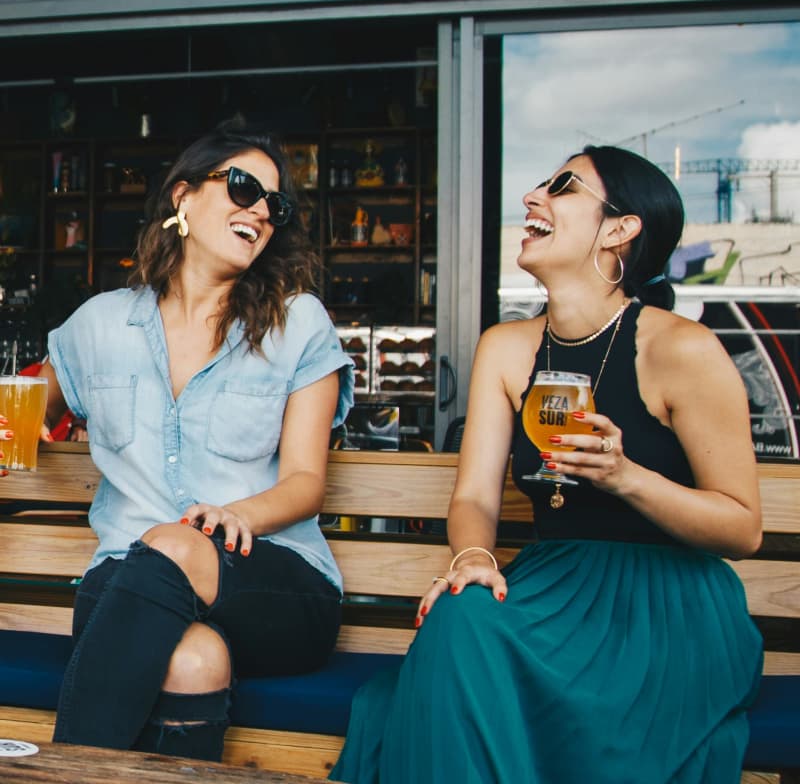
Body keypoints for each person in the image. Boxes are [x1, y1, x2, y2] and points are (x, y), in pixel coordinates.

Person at [330, 145, 763, 784]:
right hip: (551, 586)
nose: (534, 197)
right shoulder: (506, 349)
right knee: (459, 615)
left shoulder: (682, 350)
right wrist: (472, 558)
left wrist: (627, 476)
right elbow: (475, 497)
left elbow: (743, 529)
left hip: (665, 609)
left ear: (619, 229)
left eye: (563, 187)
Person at [41, 116, 354, 761]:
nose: (262, 210)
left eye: (276, 204)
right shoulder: (100, 324)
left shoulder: (298, 324)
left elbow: (305, 484)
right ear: (183, 196)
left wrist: (233, 514)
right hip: (126, 584)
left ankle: (59, 773)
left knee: (177, 544)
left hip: (268, 579)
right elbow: (20, 409)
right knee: (192, 661)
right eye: (243, 186)